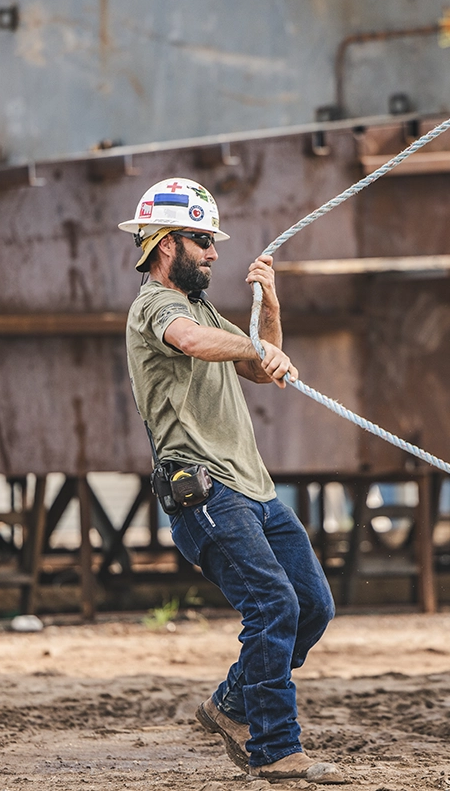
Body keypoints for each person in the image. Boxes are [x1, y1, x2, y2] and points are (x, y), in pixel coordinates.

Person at [119, 178, 342, 783]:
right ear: (166, 245)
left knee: (312, 607)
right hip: (208, 493)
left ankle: (231, 705)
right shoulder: (156, 307)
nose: (214, 252)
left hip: (255, 490)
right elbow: (192, 342)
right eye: (202, 241)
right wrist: (249, 343)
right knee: (273, 605)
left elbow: (260, 366)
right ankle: (275, 749)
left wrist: (268, 306)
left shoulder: (204, 308)